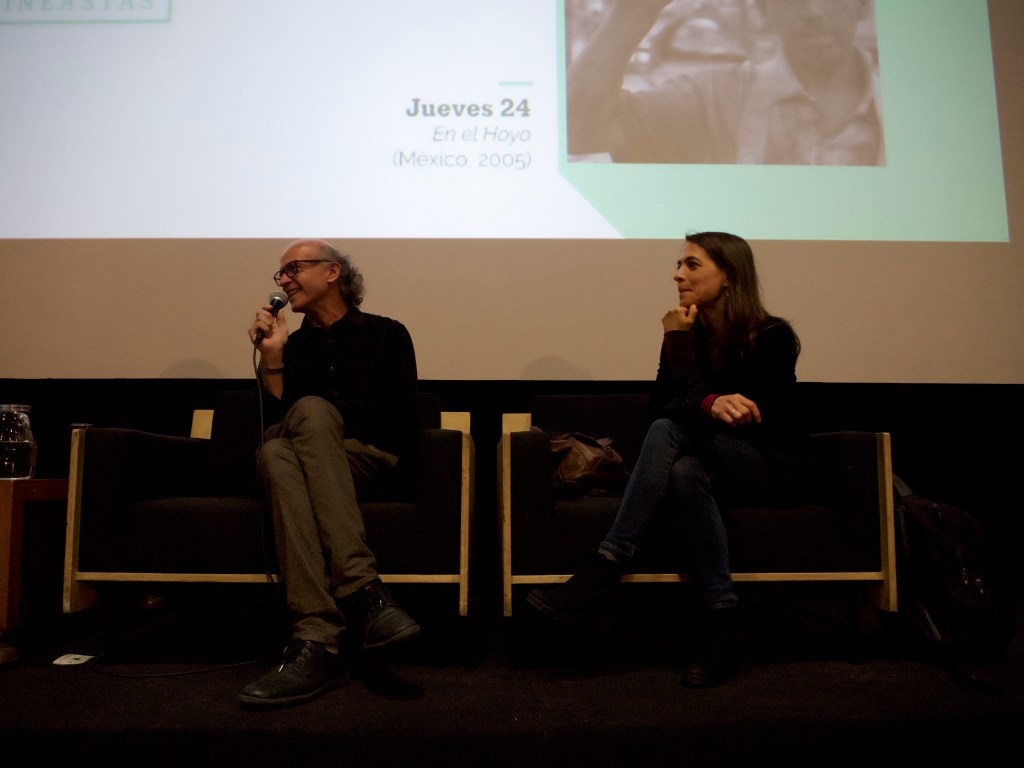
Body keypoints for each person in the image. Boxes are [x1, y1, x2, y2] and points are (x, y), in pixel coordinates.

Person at [527, 231, 803, 688]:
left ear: (729, 276)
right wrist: (703, 394)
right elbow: (662, 407)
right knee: (684, 470)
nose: (678, 274)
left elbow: (752, 421)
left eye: (692, 265)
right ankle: (723, 621)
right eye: (679, 264)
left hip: (761, 463)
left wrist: (702, 402)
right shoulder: (684, 333)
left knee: (669, 433)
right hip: (704, 464)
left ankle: (604, 567)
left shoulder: (771, 337)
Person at [239, 239, 421, 709]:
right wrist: (273, 359)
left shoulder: (387, 334)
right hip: (302, 461)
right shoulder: (294, 347)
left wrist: (325, 419)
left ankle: (320, 633)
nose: (283, 281)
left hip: (369, 460)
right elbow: (274, 426)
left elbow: (401, 420)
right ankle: (349, 606)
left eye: (293, 269)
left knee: (311, 415)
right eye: (280, 275)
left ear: (332, 272)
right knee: (275, 455)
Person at [567, 0, 884, 165]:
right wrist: (637, 9)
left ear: (863, 5)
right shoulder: (714, 97)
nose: (813, 10)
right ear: (764, 9)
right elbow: (579, 131)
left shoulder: (906, 110)